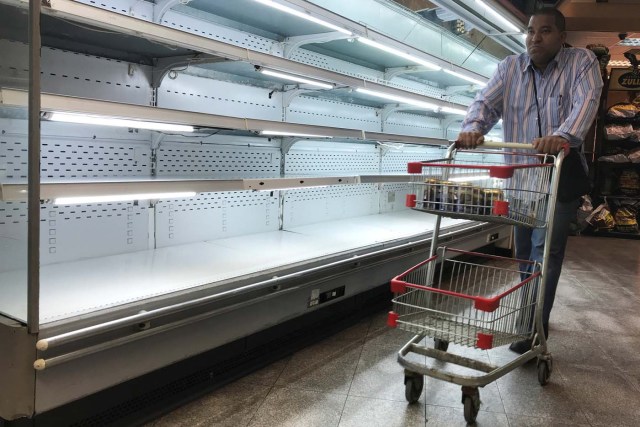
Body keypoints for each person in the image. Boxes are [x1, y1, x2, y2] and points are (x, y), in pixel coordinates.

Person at [456, 8, 603, 354]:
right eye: (531, 31)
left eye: (546, 31)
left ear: (562, 37)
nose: (535, 38)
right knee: (524, 255)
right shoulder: (509, 68)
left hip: (557, 181)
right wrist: (474, 126)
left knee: (545, 254)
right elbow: (485, 102)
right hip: (520, 180)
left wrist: (562, 135)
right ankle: (533, 312)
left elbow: (587, 102)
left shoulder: (580, 63)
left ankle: (532, 328)